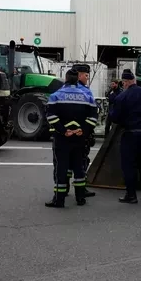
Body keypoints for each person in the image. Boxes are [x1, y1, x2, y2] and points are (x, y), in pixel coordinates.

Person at [44, 68, 98, 208]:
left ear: (66, 79)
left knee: (61, 168)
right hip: (80, 138)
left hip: (62, 138)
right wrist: (83, 130)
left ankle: (59, 200)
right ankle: (80, 198)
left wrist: (63, 130)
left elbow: (51, 116)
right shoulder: (87, 96)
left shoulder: (56, 96)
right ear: (77, 79)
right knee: (79, 168)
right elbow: (93, 117)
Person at [108, 69, 141, 204]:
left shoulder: (122, 97)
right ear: (134, 80)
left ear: (125, 82)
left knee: (129, 165)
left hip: (131, 134)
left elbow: (115, 117)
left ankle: (131, 195)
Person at [73, 63, 97, 198]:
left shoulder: (65, 90)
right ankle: (81, 190)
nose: (87, 78)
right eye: (86, 75)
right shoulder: (85, 92)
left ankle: (62, 189)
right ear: (79, 75)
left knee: (66, 162)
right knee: (81, 161)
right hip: (82, 132)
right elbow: (92, 112)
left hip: (67, 133)